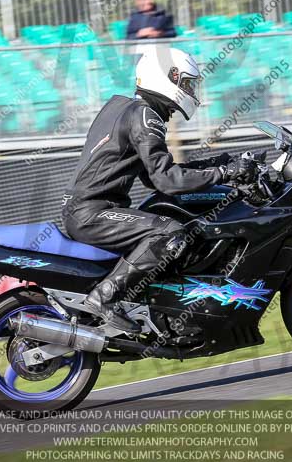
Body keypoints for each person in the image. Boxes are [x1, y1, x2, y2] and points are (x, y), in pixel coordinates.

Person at [61, 47, 256, 331]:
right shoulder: (146, 116)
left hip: (86, 210)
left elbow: (156, 177)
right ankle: (104, 297)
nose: (190, 91)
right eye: (187, 83)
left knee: (163, 219)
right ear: (169, 77)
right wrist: (225, 173)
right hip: (92, 212)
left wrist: (220, 163)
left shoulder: (123, 107)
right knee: (170, 231)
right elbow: (166, 180)